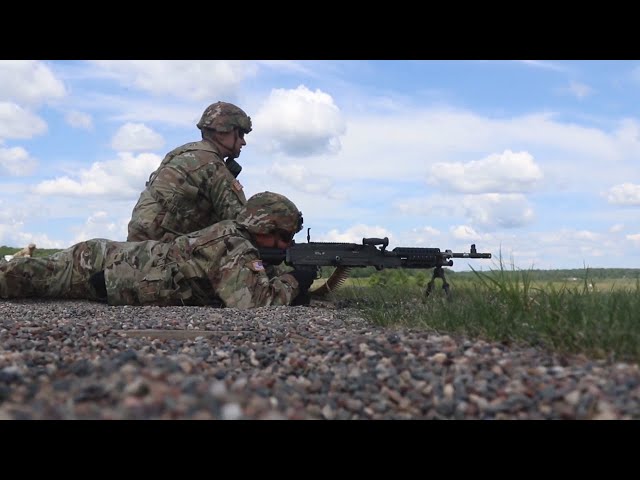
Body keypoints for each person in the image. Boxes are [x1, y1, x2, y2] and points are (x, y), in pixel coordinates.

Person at [0, 192, 317, 309]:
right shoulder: (232, 243)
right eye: (284, 236)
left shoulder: (240, 242)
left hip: (106, 263)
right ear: (263, 227)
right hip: (93, 265)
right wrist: (295, 281)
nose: (287, 245)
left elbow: (253, 282)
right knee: (18, 278)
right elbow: (256, 302)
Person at [127, 101, 253, 242]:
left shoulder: (182, 153)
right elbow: (242, 223)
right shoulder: (214, 166)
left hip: (137, 245)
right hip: (164, 249)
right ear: (222, 132)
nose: (243, 142)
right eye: (240, 134)